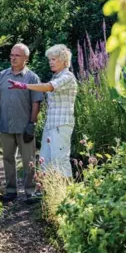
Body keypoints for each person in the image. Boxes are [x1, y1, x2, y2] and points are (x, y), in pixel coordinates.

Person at [8, 44, 77, 180]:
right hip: (51, 125)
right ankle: (50, 195)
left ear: (63, 60)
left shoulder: (68, 77)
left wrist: (24, 85)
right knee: (44, 162)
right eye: (49, 59)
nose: (50, 62)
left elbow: (48, 87)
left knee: (60, 160)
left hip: (61, 125)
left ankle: (68, 194)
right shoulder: (56, 77)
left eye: (54, 59)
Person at [0, 43, 44, 202]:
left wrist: (32, 125)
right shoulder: (1, 76)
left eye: (17, 55)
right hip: (5, 125)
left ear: (26, 59)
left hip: (24, 126)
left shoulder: (32, 78)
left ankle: (30, 191)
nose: (13, 58)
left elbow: (36, 103)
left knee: (29, 161)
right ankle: (11, 190)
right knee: (7, 159)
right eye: (11, 54)